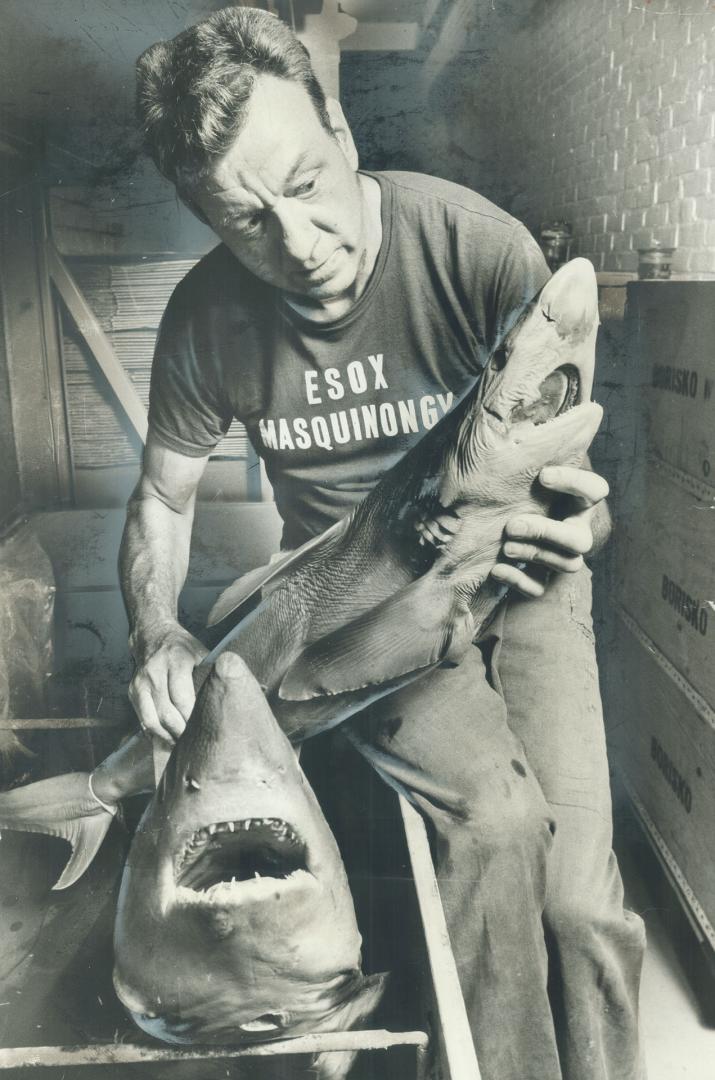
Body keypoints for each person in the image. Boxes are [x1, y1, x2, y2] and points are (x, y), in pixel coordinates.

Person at [121, 8, 646, 1079]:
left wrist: (585, 521)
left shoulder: (472, 244)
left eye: (305, 184)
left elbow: (582, 476)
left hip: (527, 579)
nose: (298, 243)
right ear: (205, 223)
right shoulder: (204, 319)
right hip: (360, 610)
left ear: (343, 129)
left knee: (581, 903)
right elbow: (164, 501)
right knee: (497, 834)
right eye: (246, 223)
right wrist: (156, 631)